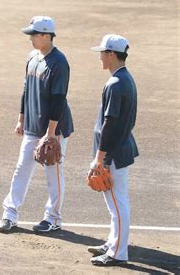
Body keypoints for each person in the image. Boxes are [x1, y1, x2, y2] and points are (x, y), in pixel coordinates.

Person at [0, 16, 74, 233]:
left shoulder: (59, 63)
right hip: (32, 125)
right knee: (22, 168)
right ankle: (9, 214)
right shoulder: (32, 57)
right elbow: (25, 89)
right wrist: (21, 118)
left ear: (46, 36)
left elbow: (59, 99)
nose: (30, 38)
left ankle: (53, 218)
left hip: (54, 128)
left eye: (33, 35)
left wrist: (50, 134)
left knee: (53, 172)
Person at [87, 34, 138, 266]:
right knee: (114, 203)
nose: (99, 56)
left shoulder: (117, 83)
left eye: (102, 52)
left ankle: (118, 253)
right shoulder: (124, 78)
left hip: (113, 153)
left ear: (111, 54)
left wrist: (100, 158)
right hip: (118, 149)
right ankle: (113, 242)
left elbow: (111, 123)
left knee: (118, 203)